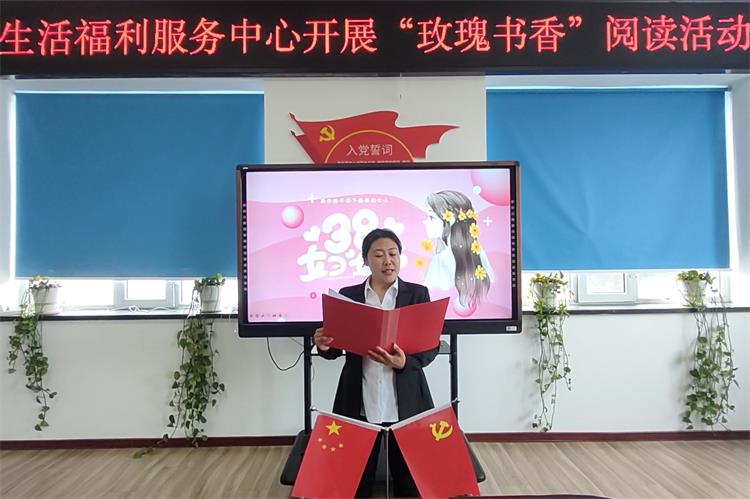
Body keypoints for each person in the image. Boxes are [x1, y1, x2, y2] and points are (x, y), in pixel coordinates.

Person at [313, 228, 439, 498]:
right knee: (356, 480)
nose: (388, 261)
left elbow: (431, 347)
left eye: (393, 254)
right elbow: (334, 349)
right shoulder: (348, 296)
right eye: (379, 255)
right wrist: (323, 344)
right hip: (359, 400)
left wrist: (404, 362)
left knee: (410, 482)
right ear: (365, 260)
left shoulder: (418, 294)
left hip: (406, 401)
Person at [423, 190, 493, 309]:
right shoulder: (477, 251)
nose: (425, 222)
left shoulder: (442, 259)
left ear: (451, 219)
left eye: (431, 217)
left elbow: (427, 302)